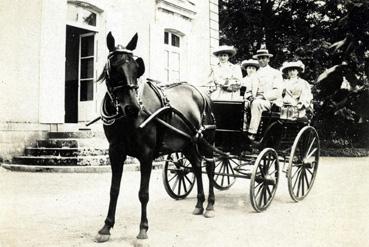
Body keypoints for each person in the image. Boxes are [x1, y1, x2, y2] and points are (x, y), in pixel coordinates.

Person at [246, 45, 283, 141]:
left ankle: (252, 133)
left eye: (263, 58)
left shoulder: (275, 73)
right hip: (255, 100)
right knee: (239, 106)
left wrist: (262, 96)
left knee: (256, 103)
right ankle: (242, 131)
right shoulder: (254, 75)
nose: (261, 60)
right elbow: (248, 91)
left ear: (268, 59)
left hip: (270, 102)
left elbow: (278, 91)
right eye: (259, 58)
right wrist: (250, 97)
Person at [240, 59, 260, 131]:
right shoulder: (243, 79)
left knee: (244, 106)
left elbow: (255, 92)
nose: (251, 70)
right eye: (249, 68)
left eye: (253, 68)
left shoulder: (256, 79)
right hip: (241, 98)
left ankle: (245, 128)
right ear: (246, 69)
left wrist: (251, 97)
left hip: (251, 98)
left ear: (256, 70)